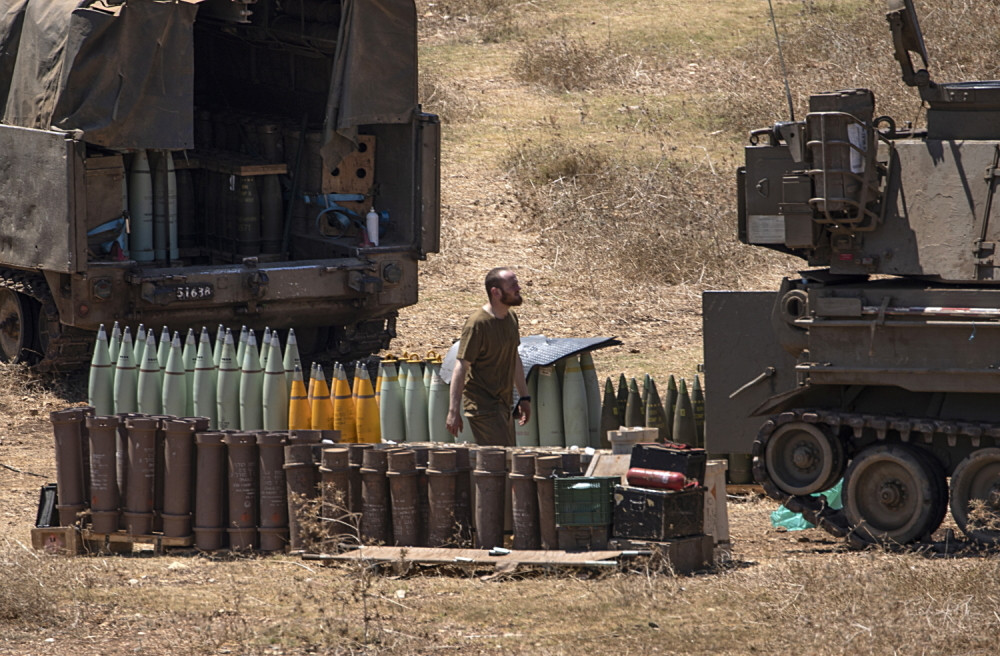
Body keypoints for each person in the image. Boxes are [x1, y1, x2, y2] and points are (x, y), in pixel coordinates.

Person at [446, 267, 530, 446]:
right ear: (495, 292)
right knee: (501, 461)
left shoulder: (511, 317)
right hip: (482, 407)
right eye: (512, 285)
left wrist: (524, 397)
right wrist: (453, 412)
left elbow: (514, 358)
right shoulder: (478, 324)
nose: (518, 288)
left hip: (503, 404)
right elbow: (461, 367)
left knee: (505, 460)